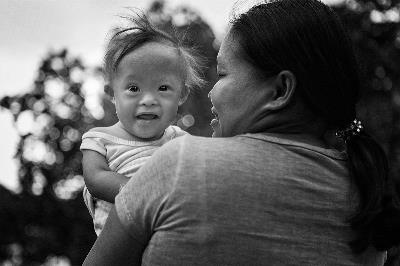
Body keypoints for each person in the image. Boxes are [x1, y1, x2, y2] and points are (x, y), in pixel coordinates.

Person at [83, 0, 400, 265]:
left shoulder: (181, 166)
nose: (211, 93)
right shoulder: (369, 207)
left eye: (222, 74)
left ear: (280, 91)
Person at [80, 14, 204, 235]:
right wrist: (146, 192)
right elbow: (96, 179)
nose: (148, 100)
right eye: (134, 89)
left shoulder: (179, 140)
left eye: (163, 88)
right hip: (121, 242)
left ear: (182, 95)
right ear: (112, 93)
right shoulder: (99, 139)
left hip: (169, 232)